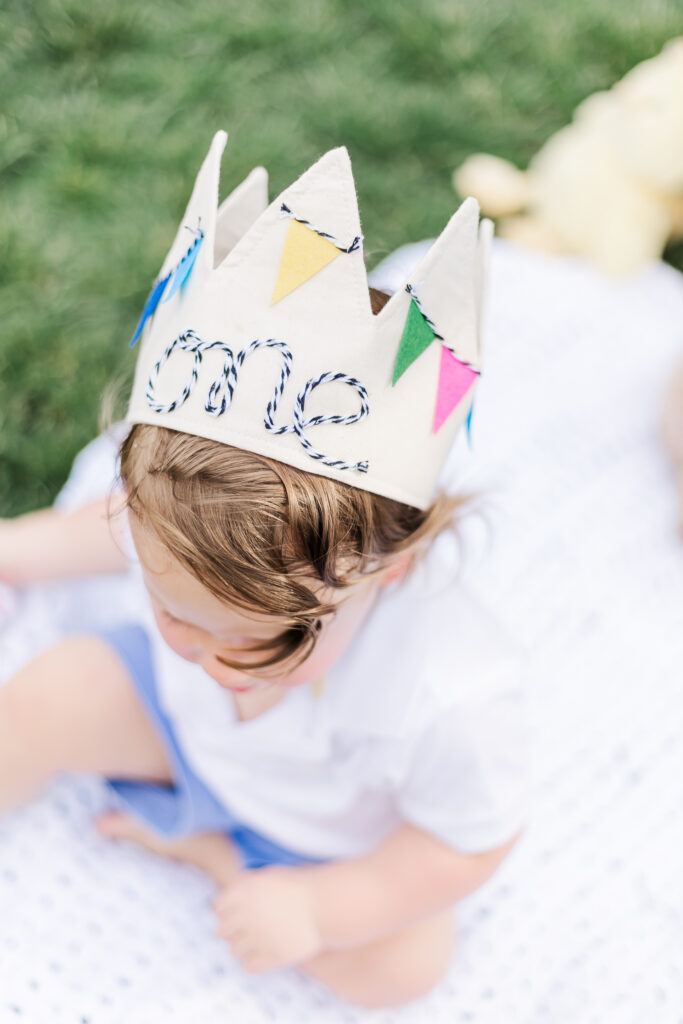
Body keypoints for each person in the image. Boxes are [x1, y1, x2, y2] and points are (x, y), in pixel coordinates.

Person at [0, 132, 529, 1010]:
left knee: (403, 967)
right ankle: (198, 828)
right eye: (171, 608)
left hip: (321, 839)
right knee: (47, 694)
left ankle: (213, 857)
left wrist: (323, 906)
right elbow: (97, 535)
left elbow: (467, 842)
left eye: (257, 637)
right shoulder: (169, 531)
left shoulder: (450, 695)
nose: (197, 650)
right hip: (181, 736)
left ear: (384, 568)